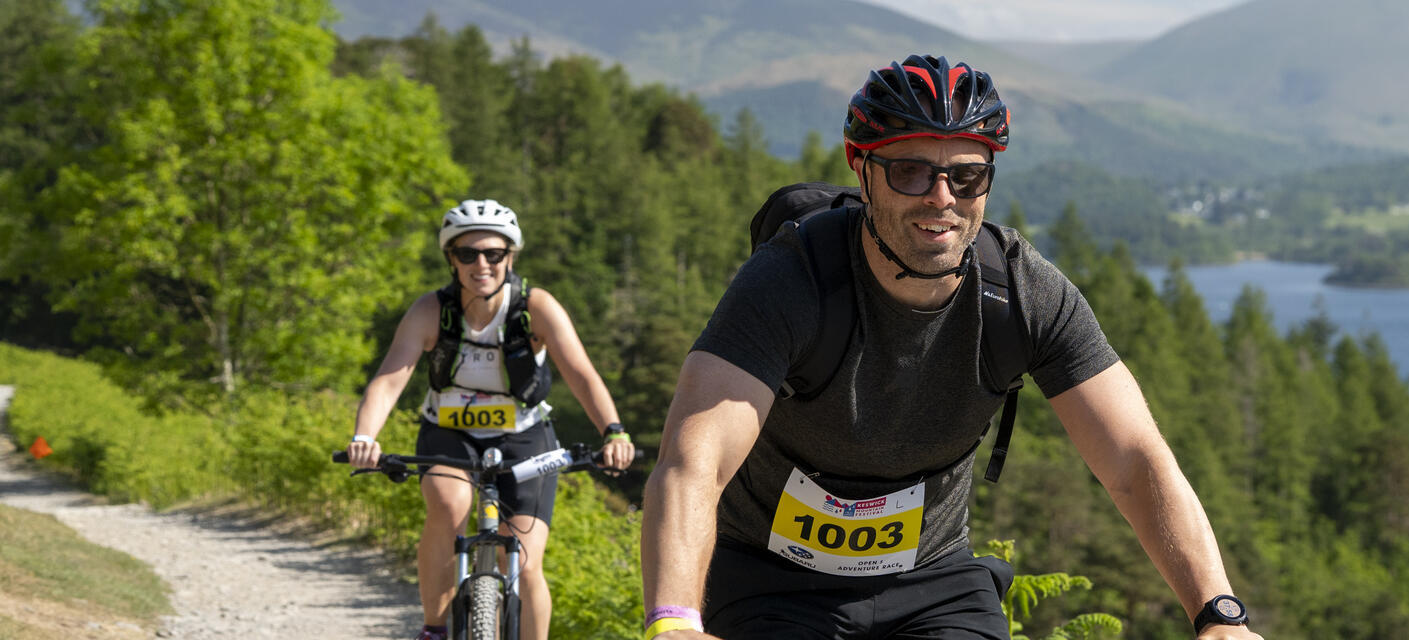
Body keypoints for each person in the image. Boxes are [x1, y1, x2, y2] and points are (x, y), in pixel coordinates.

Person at [640, 55, 1263, 640]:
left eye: (966, 176)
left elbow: (1133, 459)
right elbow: (693, 462)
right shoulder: (792, 280)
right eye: (909, 171)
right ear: (862, 170)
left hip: (931, 579)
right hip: (769, 581)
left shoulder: (1021, 292)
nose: (941, 198)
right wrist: (673, 621)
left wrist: (1218, 612)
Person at [347, 199, 637, 640]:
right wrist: (365, 437)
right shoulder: (430, 311)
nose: (481, 264)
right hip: (449, 433)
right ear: (452, 259)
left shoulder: (535, 308)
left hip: (526, 434)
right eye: (468, 254)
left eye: (493, 254)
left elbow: (581, 374)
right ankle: (434, 627)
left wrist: (613, 432)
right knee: (448, 506)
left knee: (522, 557)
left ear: (510, 257)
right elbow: (389, 380)